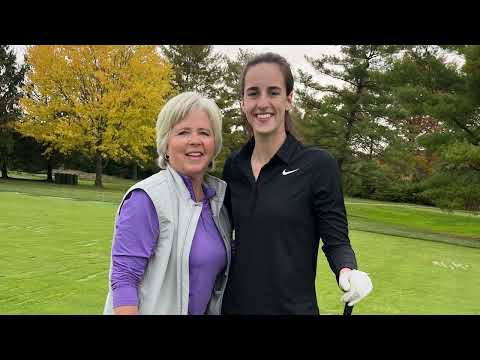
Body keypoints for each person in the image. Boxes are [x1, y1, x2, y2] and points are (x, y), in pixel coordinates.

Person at [221, 53, 372, 315]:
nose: (263, 103)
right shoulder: (234, 166)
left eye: (274, 92)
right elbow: (221, 236)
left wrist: (347, 270)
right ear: (243, 102)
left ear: (289, 99)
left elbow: (336, 240)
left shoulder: (318, 165)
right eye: (253, 93)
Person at [103, 91, 231, 315]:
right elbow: (124, 279)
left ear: (215, 144)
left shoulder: (217, 202)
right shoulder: (147, 198)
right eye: (183, 132)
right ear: (166, 144)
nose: (195, 141)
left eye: (204, 132)